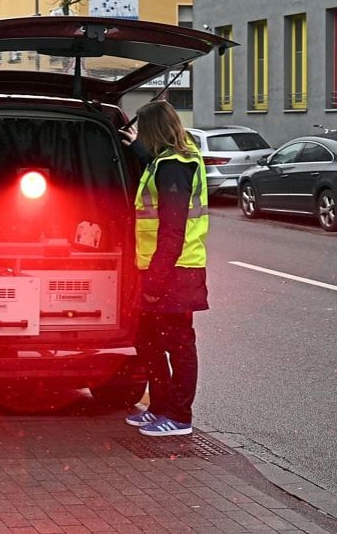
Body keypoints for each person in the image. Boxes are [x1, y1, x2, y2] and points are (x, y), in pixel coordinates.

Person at [119, 101, 209, 437]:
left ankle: (180, 417)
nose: (139, 134)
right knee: (150, 342)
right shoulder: (164, 163)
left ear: (152, 129)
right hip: (161, 268)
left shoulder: (174, 167)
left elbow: (173, 230)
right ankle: (159, 407)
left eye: (142, 129)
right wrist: (141, 154)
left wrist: (155, 282)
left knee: (178, 344)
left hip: (176, 270)